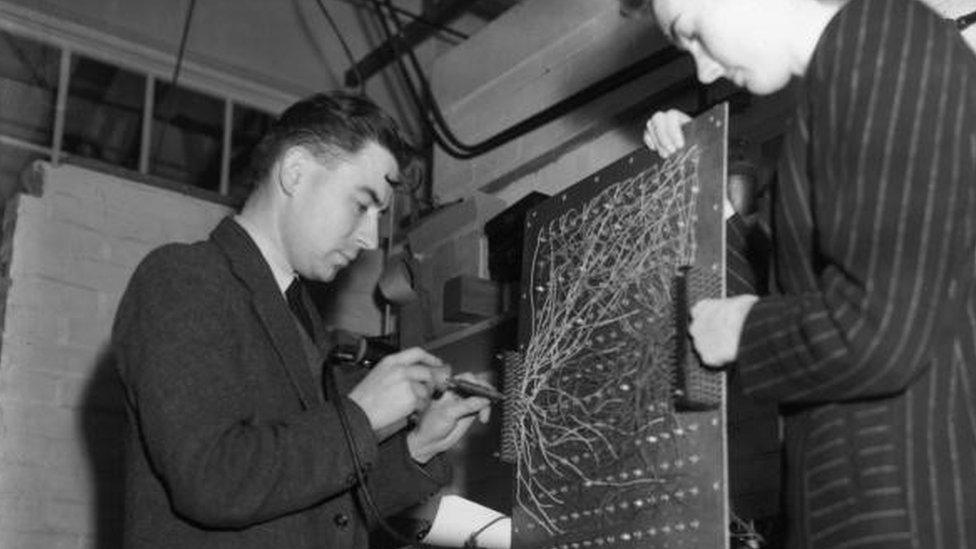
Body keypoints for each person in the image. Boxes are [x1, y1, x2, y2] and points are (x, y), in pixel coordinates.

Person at [640, 0, 976, 547]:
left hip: (909, 515)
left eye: (694, 33)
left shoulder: (885, 46)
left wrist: (745, 331)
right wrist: (698, 184)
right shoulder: (837, 86)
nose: (702, 71)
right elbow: (797, 293)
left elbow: (882, 329)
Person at [112, 92, 492, 548]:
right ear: (295, 172)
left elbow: (323, 509)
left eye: (379, 215)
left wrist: (419, 446)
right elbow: (211, 479)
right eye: (361, 204)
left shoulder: (299, 314)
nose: (371, 238)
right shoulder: (183, 278)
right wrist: (363, 416)